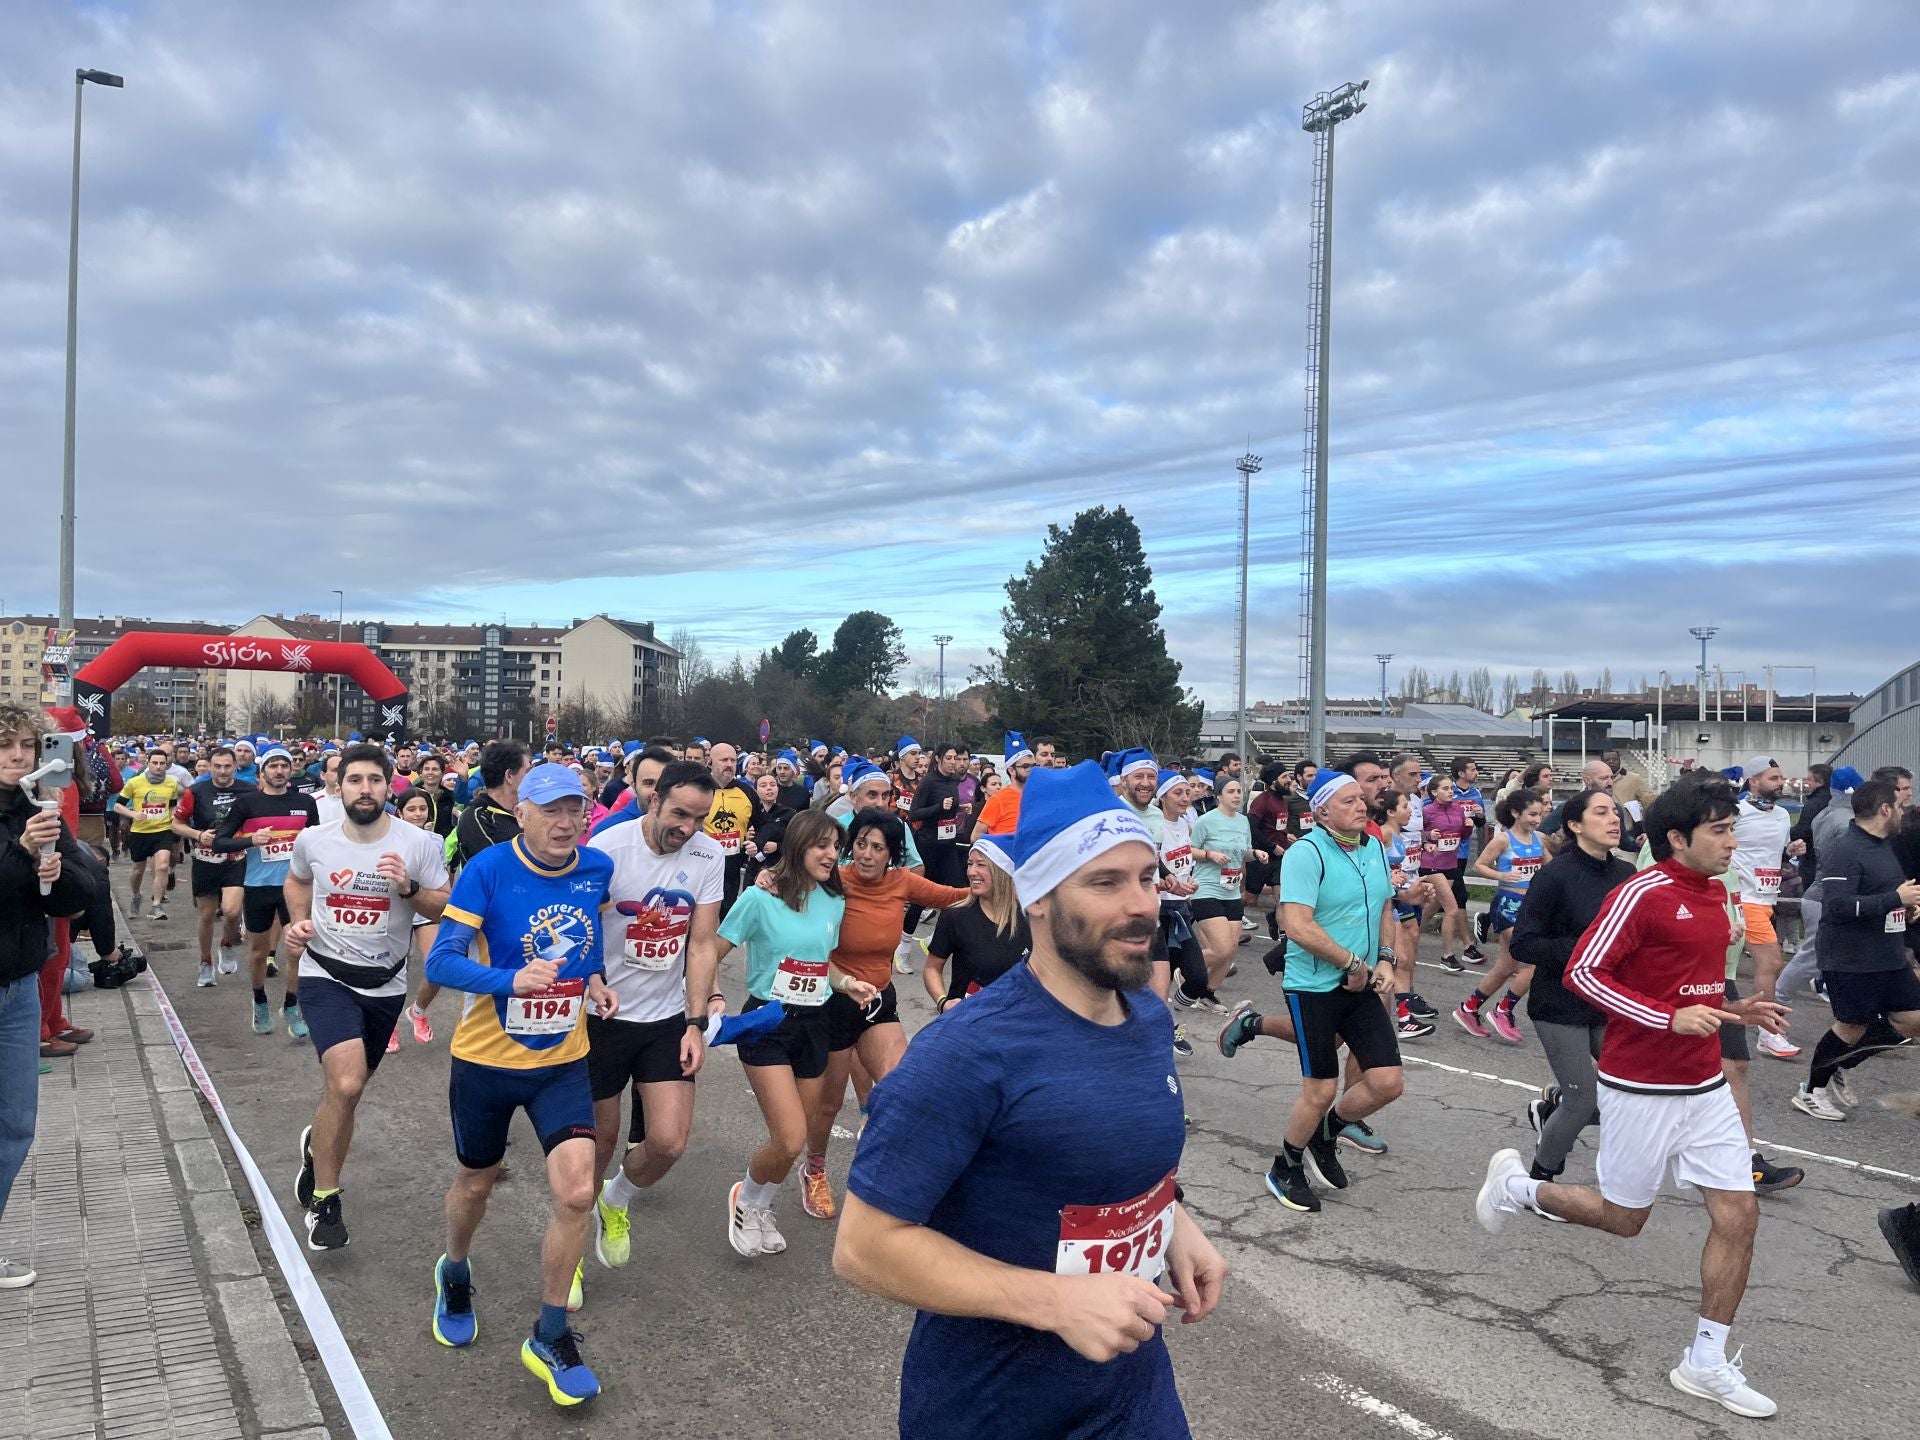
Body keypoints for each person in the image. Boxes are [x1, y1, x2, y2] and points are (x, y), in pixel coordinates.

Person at [833, 760, 1228, 1439]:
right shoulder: (965, 1052)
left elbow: (1110, 1153)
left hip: (1133, 1396)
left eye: (1146, 877)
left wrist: (1175, 1225)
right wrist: (1057, 1303)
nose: (1142, 903)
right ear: (1039, 896)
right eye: (1105, 882)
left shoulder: (1148, 1017)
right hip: (992, 1408)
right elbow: (864, 1248)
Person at [1475, 779, 1790, 1421]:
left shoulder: (1718, 895)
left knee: (1739, 1213)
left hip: (1703, 1086)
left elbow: (1690, 987)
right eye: (1720, 831)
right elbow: (1585, 971)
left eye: (1734, 828)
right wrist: (1665, 1020)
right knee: (1624, 1218)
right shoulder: (1642, 893)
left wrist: (1735, 1010)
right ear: (1678, 838)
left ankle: (1705, 1361)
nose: (1732, 841)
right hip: (1640, 1084)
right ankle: (1518, 1187)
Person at [423, 762, 619, 1407]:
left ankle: (551, 1334)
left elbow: (584, 942)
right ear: (523, 813)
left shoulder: (595, 868)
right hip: (485, 1060)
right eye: (552, 810)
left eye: (576, 809)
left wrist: (592, 980)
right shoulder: (487, 870)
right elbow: (442, 960)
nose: (566, 822)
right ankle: (455, 1269)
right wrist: (512, 981)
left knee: (576, 1192)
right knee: (477, 1181)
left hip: (562, 1059)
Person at [282, 744, 449, 1250]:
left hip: (386, 983)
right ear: (340, 785)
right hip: (325, 974)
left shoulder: (419, 843)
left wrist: (408, 888)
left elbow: (442, 903)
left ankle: (318, 1144)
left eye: (375, 780)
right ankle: (326, 1202)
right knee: (349, 1083)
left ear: (389, 784)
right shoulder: (314, 838)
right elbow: (296, 881)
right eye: (355, 780)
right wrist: (297, 923)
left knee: (346, 1094)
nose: (365, 789)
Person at [581, 761, 724, 1299]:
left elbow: (702, 941)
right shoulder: (610, 848)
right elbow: (582, 921)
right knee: (598, 1142)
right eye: (680, 813)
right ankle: (569, 1249)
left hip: (665, 1017)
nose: (687, 828)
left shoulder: (709, 854)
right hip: (604, 1016)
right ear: (654, 800)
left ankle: (614, 1199)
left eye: (699, 818)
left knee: (667, 1142)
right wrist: (592, 980)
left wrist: (694, 1020)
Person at [708, 810, 876, 1257]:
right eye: (821, 845)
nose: (831, 854)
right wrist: (712, 998)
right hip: (769, 1021)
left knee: (796, 1137)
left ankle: (759, 1205)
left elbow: (823, 963)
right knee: (788, 1136)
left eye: (835, 846)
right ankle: (745, 1198)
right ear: (798, 847)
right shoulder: (760, 898)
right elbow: (711, 949)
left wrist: (846, 983)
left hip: (816, 1022)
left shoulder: (832, 900)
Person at [800, 808, 969, 1220]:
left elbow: (953, 896)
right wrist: (770, 876)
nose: (867, 854)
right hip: (834, 999)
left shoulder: (901, 881)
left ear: (893, 854)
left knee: (900, 1087)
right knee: (828, 1103)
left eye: (878, 848)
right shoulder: (833, 882)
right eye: (860, 844)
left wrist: (998, 885)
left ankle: (883, 1172)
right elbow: (791, 879)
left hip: (878, 998)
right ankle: (814, 1170)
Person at [1259, 768, 1403, 1211]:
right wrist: (1352, 963)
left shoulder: (1374, 847)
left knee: (1387, 1081)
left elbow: (1383, 906)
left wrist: (1384, 958)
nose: (1361, 805)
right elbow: (1296, 925)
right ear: (1321, 811)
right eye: (1348, 801)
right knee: (1320, 1089)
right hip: (1313, 985)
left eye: (1362, 798)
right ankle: (1285, 1166)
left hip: (1360, 979)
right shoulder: (1306, 853)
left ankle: (1326, 1135)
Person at [1, 703, 97, 1288]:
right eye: (6, 746)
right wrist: (23, 855)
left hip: (18, 993)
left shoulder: (39, 811)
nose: (18, 757)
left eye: (27, 748)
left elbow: (72, 903)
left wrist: (54, 867)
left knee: (16, 1126)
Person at [1511, 789, 1633, 1187]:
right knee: (1585, 1098)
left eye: (1615, 812)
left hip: (1608, 1001)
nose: (1614, 819)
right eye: (1601, 813)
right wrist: (1583, 948)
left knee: (1635, 1089)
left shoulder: (1626, 876)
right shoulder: (1555, 875)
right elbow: (1523, 944)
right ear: (1575, 825)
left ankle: (1555, 1110)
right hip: (1559, 1003)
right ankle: (1538, 1181)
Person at [1789, 778, 1920, 1122]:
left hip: (1888, 953)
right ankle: (1810, 1091)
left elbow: (1880, 894)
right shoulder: (1845, 849)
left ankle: (1842, 1061)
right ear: (1885, 809)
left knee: (1913, 1021)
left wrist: (1904, 908)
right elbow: (1838, 907)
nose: (1904, 812)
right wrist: (1895, 898)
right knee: (1851, 1027)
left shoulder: (1884, 846)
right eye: (1901, 806)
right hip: (1850, 957)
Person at [213, 746, 321, 1037]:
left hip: (295, 887)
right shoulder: (247, 804)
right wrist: (250, 840)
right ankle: (259, 999)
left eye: (284, 765)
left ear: (290, 771)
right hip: (259, 886)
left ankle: (291, 1005)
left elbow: (317, 842)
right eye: (272, 766)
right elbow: (219, 842)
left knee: (299, 949)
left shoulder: (305, 802)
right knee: (259, 952)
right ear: (261, 773)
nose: (279, 770)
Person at [1455, 787, 1548, 1044]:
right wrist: (1502, 876)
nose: (1536, 820)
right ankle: (1503, 1010)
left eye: (1539, 814)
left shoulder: (1539, 839)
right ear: (1516, 813)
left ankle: (1469, 1008)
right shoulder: (1503, 840)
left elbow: (1552, 868)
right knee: (1532, 963)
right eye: (1531, 814)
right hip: (1508, 904)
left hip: (1531, 907)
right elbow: (1479, 865)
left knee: (1505, 966)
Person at [1732, 756, 1806, 1061]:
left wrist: (1791, 851)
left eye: (1781, 777)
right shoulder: (1737, 812)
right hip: (1743, 897)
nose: (1781, 783)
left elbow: (1774, 854)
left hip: (1768, 899)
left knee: (1725, 966)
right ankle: (1769, 1031)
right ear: (1754, 781)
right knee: (1771, 961)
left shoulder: (1780, 816)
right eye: (1773, 778)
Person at [172, 745, 253, 987]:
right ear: (209, 767)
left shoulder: (249, 790)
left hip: (236, 859)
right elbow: (176, 824)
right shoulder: (196, 791)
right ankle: (205, 962)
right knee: (206, 915)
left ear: (235, 766)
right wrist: (197, 834)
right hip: (206, 859)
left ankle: (227, 944)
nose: (222, 771)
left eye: (227, 766)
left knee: (231, 911)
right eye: (217, 766)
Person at [924, 836, 1030, 1009]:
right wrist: (943, 1003)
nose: (971, 872)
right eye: (969, 864)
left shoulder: (1029, 917)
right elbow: (931, 968)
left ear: (1002, 871)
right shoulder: (955, 916)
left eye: (981, 864)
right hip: (967, 1023)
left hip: (1017, 1024)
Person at [1188, 775, 1265, 998]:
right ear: (1219, 796)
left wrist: (1256, 854)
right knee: (1221, 949)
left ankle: (1207, 994)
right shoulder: (1206, 821)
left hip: (1231, 891)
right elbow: (1188, 850)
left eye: (1239, 791)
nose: (1236, 796)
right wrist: (1209, 854)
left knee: (1231, 951)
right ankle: (1184, 969)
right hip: (1207, 888)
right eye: (1230, 792)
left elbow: (1244, 853)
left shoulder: (1243, 822)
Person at [120, 746, 184, 919]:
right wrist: (132, 814)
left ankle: (156, 905)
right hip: (140, 831)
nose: (158, 766)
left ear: (166, 765)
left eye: (162, 763)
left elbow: (172, 804)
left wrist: (173, 817)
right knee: (138, 870)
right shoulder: (135, 782)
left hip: (162, 830)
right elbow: (119, 804)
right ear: (148, 763)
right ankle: (135, 895)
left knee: (163, 865)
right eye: (154, 763)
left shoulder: (172, 782)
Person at [700, 742, 762, 917]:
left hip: (732, 868)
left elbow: (763, 824)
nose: (729, 764)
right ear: (710, 762)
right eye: (724, 760)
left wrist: (756, 842)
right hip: (702, 865)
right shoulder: (699, 788)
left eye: (733, 760)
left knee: (726, 916)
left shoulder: (747, 792)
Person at [973, 732, 1035, 835]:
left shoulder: (1037, 795)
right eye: (1025, 766)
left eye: (1033, 766)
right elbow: (975, 836)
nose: (1030, 770)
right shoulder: (998, 799)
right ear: (1012, 771)